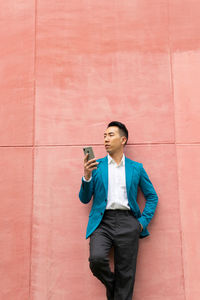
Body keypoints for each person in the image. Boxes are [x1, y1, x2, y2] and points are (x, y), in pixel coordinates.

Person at [79, 121, 158, 300]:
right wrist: (87, 176)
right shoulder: (95, 166)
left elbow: (152, 196)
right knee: (96, 260)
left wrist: (141, 224)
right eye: (104, 136)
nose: (106, 139)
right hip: (102, 222)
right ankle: (114, 284)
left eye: (110, 135)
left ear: (123, 140)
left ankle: (120, 289)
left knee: (127, 274)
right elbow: (84, 199)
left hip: (128, 222)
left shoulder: (136, 168)